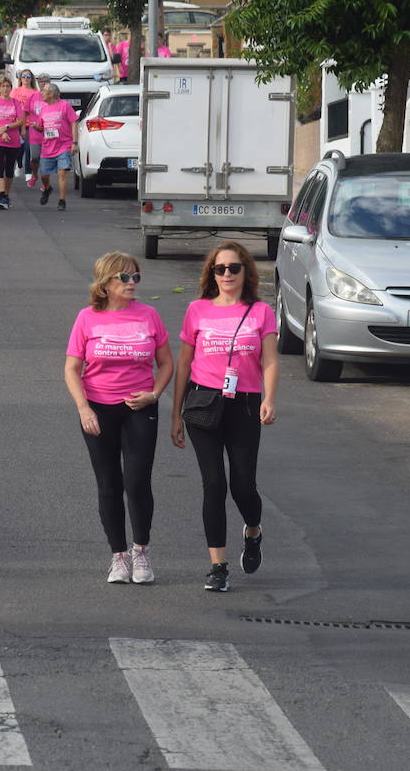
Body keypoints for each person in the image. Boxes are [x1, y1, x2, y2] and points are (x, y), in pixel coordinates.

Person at [170, 241, 278, 593]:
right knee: (213, 484)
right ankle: (218, 566)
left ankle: (253, 530)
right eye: (220, 269)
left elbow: (271, 360)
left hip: (245, 404)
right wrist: (175, 414)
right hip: (203, 403)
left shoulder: (261, 312)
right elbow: (184, 363)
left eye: (234, 268)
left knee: (243, 485)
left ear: (246, 271)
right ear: (211, 274)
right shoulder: (197, 310)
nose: (227, 274)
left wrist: (270, 398)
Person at [65, 253, 174, 584]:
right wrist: (84, 408)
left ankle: (141, 550)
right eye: (124, 278)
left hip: (139, 407)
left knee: (137, 481)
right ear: (106, 283)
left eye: (135, 277)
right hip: (98, 408)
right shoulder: (87, 318)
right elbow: (71, 368)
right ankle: (119, 556)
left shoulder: (149, 315)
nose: (131, 284)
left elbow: (168, 363)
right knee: (109, 484)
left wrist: (154, 394)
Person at [32, 83, 78, 211]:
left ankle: (62, 200)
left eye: (44, 91)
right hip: (47, 147)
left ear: (52, 94)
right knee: (44, 175)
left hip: (63, 145)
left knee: (62, 173)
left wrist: (74, 143)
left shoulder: (65, 106)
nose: (41, 93)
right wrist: (37, 127)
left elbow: (74, 122)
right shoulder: (44, 109)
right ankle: (47, 188)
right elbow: (42, 127)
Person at [0, 76, 24, 209]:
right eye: (2, 86)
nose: (5, 88)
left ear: (11, 88)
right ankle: (2, 194)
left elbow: (20, 120)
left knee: (9, 170)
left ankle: (6, 196)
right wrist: (1, 131)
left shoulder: (15, 102)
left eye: (7, 86)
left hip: (13, 140)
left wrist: (7, 127)